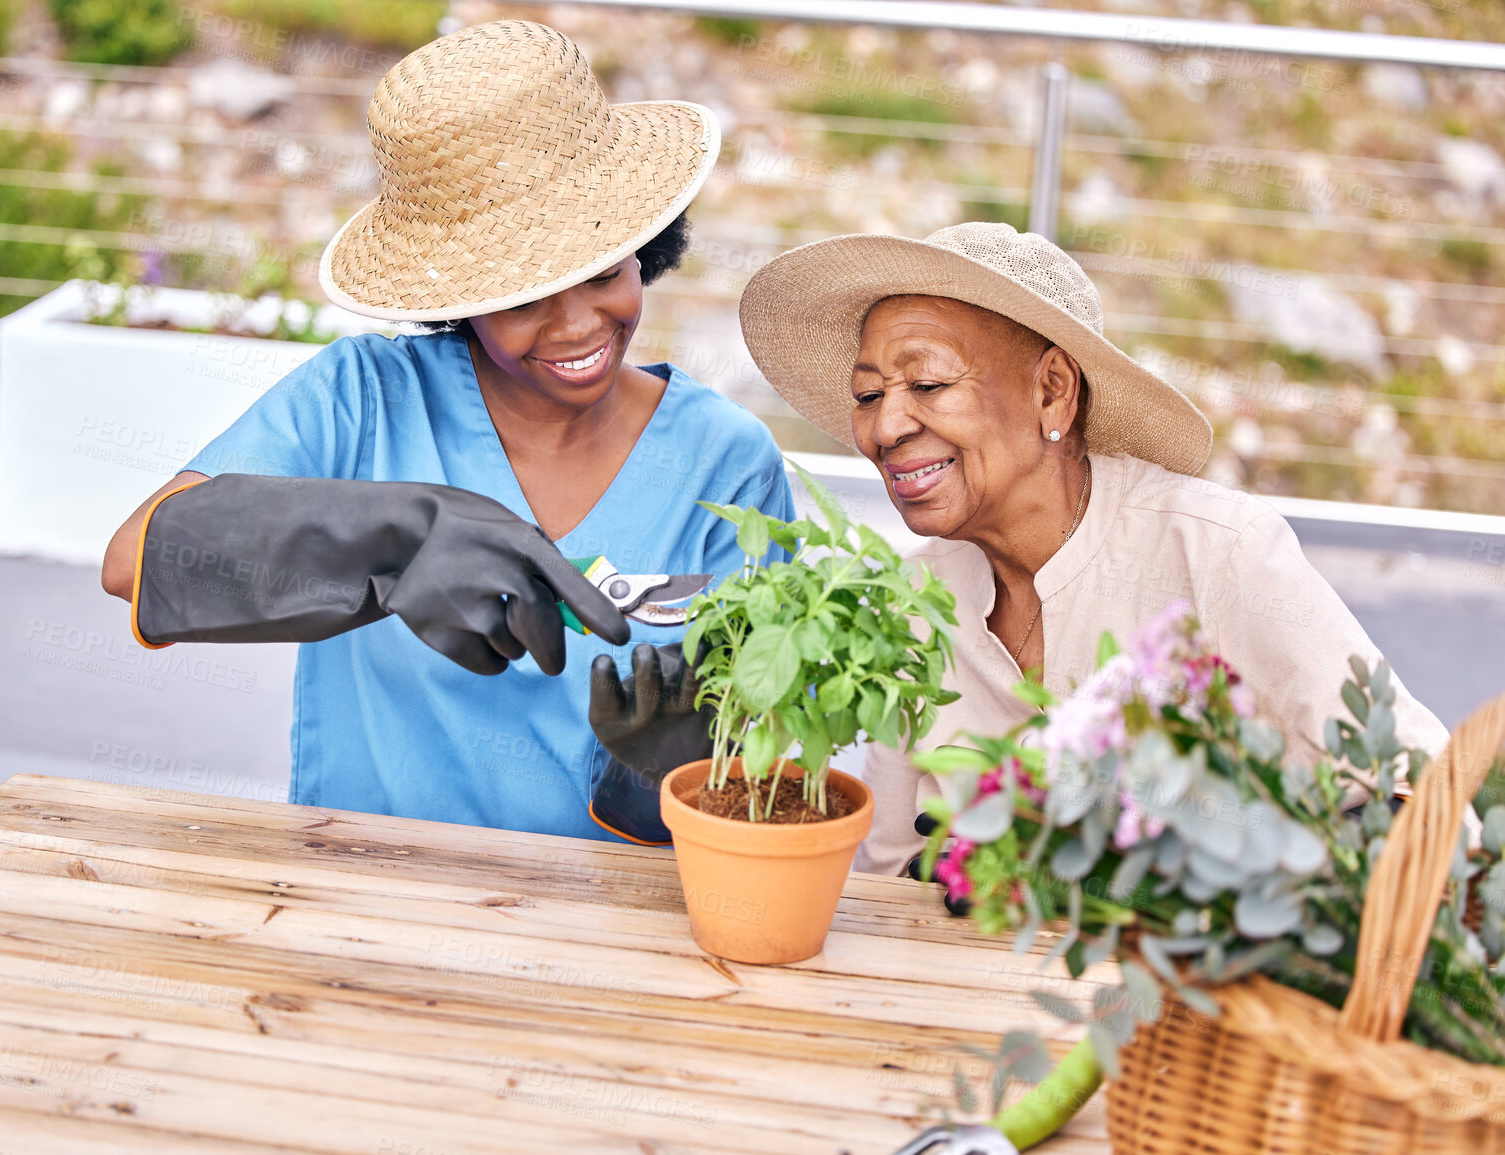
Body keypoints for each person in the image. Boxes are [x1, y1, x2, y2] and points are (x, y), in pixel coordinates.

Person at [100, 20, 792, 845]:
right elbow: (137, 558)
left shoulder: (724, 463)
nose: (578, 325)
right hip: (360, 894)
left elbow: (760, 740)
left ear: (646, 245)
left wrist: (662, 772)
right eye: (525, 294)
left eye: (604, 270)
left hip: (612, 922)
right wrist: (393, 539)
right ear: (457, 294)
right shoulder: (362, 399)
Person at [736, 221, 1448, 877]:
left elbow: (1422, 795)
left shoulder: (1216, 551)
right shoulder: (912, 604)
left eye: (927, 383)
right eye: (867, 395)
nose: (884, 426)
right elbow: (890, 870)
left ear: (1052, 392)